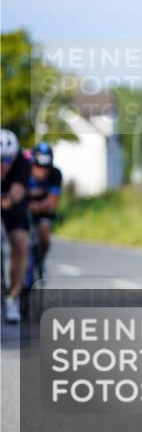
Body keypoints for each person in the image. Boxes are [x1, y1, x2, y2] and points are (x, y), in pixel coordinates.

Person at [1, 128, 31, 323]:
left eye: (7, 159)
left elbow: (17, 192)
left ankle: (13, 295)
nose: (3, 164)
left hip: (12, 202)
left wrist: (9, 200)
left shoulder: (22, 161)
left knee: (20, 242)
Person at [27, 142, 61, 270]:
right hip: (24, 208)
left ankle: (40, 261)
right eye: (38, 166)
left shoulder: (55, 174)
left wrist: (39, 206)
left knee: (44, 235)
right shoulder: (24, 172)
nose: (42, 170)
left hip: (44, 211)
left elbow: (53, 200)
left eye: (46, 167)